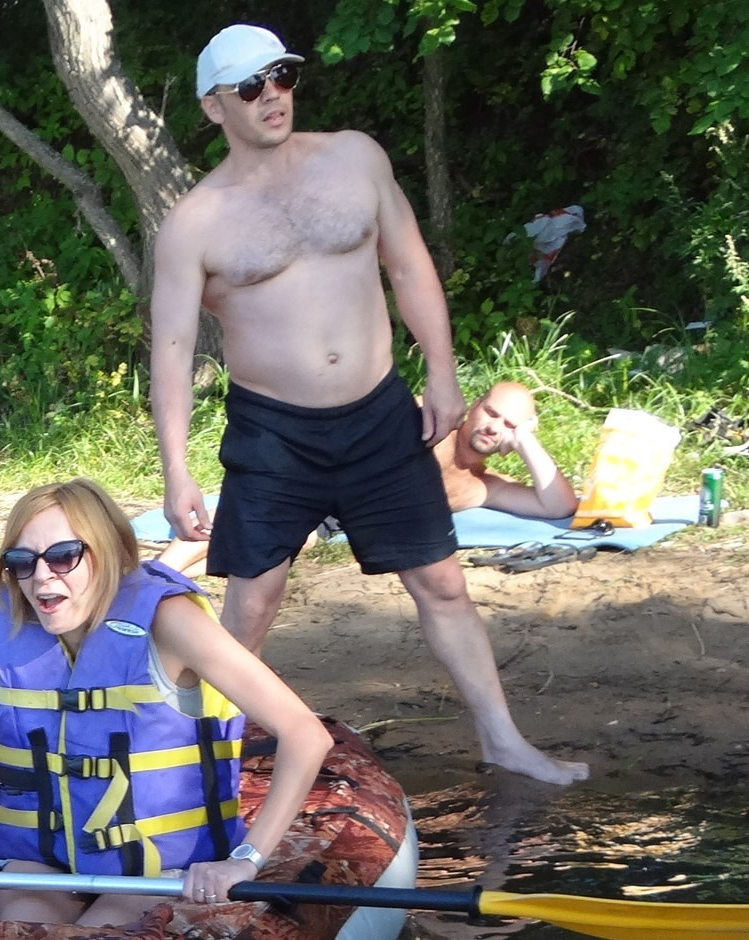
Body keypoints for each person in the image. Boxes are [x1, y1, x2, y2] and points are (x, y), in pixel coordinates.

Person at [150, 24, 587, 787]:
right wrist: (176, 472)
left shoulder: (355, 158)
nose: (272, 96)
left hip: (380, 414)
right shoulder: (197, 221)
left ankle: (503, 740)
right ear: (214, 108)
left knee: (443, 581)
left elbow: (411, 265)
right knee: (253, 600)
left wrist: (444, 373)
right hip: (273, 429)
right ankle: (192, 756)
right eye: (250, 88)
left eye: (281, 76)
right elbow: (174, 352)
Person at [0, 479, 332, 924]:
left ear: (107, 554)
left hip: (160, 874)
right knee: (25, 938)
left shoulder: (170, 623)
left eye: (63, 556)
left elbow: (305, 734)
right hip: (44, 863)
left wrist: (245, 862)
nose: (41, 577)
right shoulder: (5, 631)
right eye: (22, 561)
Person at [436, 380, 578, 518]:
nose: (493, 428)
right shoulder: (432, 426)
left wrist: (526, 442)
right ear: (474, 405)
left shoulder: (485, 487)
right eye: (491, 413)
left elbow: (560, 506)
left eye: (509, 425)